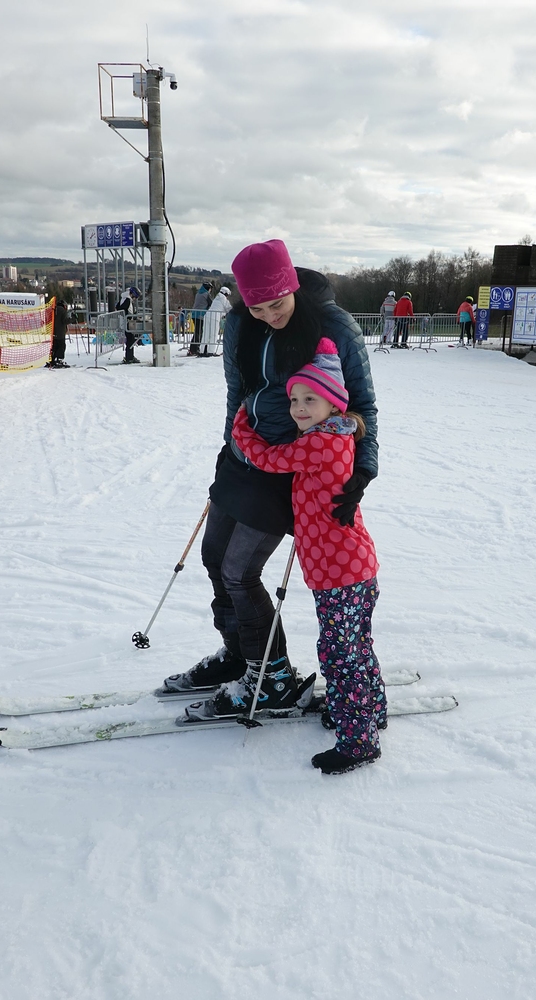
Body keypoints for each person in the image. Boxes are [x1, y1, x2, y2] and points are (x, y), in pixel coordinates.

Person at [161, 239, 379, 717]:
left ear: (293, 287)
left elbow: (362, 402)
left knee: (241, 571)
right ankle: (243, 656)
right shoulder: (241, 322)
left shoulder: (334, 326)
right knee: (214, 559)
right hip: (244, 456)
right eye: (256, 305)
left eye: (276, 303)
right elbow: (237, 392)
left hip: (295, 463)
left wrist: (363, 469)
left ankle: (272, 676)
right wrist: (228, 447)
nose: (268, 315)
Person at [230, 338, 386, 774]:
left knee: (340, 654)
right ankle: (367, 711)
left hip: (339, 573)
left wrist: (242, 424)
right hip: (352, 567)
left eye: (310, 399)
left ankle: (358, 742)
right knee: (356, 646)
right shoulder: (333, 436)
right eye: (295, 398)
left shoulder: (320, 445)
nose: (299, 407)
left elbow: (265, 457)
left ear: (334, 404)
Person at [200, 285, 232, 356]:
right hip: (214, 318)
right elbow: (229, 309)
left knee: (205, 334)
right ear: (226, 294)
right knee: (213, 334)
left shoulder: (216, 298)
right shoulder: (224, 299)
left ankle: (202, 351)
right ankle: (211, 351)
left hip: (207, 316)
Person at [115, 286, 141, 364]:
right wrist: (131, 316)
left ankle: (130, 356)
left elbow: (117, 307)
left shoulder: (124, 298)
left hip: (125, 321)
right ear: (132, 294)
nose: (135, 299)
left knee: (131, 339)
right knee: (130, 340)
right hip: (126, 322)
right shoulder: (127, 300)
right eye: (135, 297)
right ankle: (129, 357)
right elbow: (123, 309)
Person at [188, 281, 213, 356]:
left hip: (194, 315)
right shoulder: (206, 294)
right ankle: (195, 349)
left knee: (197, 332)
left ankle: (193, 348)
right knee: (199, 332)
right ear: (208, 288)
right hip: (200, 315)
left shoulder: (198, 293)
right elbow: (211, 303)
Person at [45, 299, 70, 369]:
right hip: (60, 332)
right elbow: (65, 321)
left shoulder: (53, 309)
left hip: (53, 332)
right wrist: (72, 319)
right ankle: (59, 359)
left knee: (55, 346)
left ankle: (52, 359)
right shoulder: (62, 311)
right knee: (61, 346)